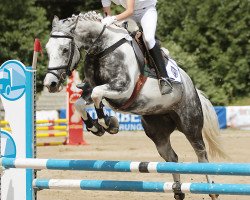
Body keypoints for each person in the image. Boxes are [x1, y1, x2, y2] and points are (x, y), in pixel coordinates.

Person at [101, 0, 173, 94]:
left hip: (146, 11)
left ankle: (164, 78)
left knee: (148, 39)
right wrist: (108, 21)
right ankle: (91, 80)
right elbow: (107, 15)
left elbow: (129, 11)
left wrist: (113, 19)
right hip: (129, 14)